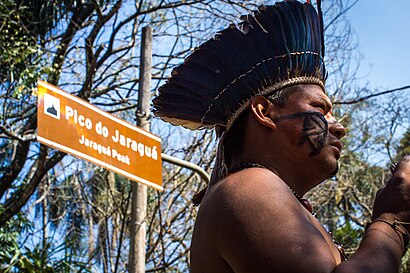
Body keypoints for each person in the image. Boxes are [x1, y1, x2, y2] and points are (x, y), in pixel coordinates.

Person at [153, 1, 410, 272]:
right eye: (320, 109)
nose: (338, 127)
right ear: (265, 112)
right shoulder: (247, 187)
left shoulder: (257, 192)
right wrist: (391, 223)